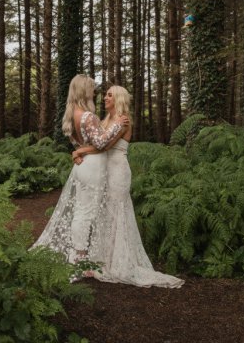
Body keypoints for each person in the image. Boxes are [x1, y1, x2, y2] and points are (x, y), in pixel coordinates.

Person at [72, 86, 184, 288]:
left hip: (118, 171)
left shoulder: (123, 120)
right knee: (106, 213)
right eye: (105, 94)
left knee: (117, 213)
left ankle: (118, 262)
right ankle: (104, 260)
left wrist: (79, 151)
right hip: (106, 170)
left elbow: (104, 146)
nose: (105, 98)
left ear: (118, 99)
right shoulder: (106, 120)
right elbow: (98, 143)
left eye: (109, 95)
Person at [32, 75, 128, 266]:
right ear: (84, 91)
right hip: (92, 166)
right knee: (86, 213)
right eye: (92, 88)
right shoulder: (87, 116)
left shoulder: (71, 115)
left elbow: (82, 143)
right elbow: (101, 144)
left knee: (81, 211)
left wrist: (78, 151)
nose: (95, 92)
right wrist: (117, 125)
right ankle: (79, 256)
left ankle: (79, 253)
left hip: (83, 165)